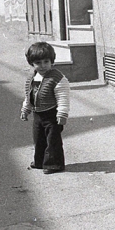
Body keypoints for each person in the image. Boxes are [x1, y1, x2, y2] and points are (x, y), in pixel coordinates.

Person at [20, 42, 70, 174]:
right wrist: (25, 110)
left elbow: (63, 98)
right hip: (38, 114)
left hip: (52, 114)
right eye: (38, 63)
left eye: (46, 62)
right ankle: (40, 161)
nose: (42, 66)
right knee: (39, 139)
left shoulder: (58, 78)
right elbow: (29, 96)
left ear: (52, 61)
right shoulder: (32, 78)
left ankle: (54, 164)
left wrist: (62, 114)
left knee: (52, 140)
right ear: (32, 64)